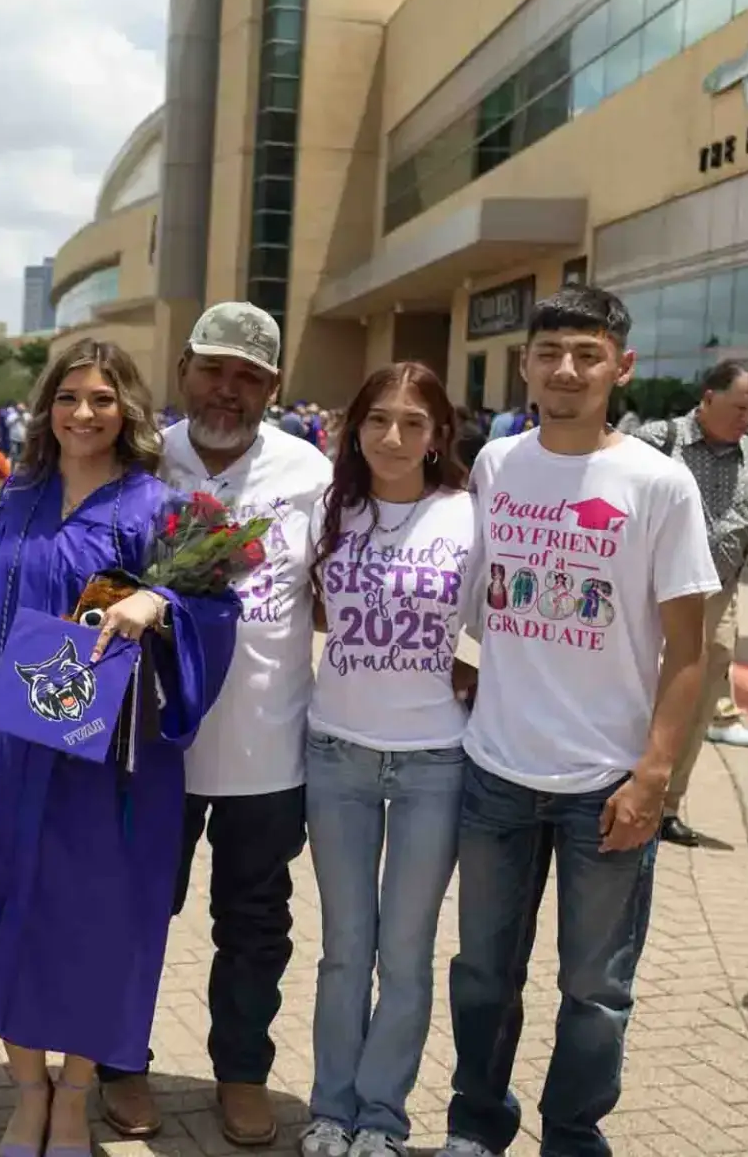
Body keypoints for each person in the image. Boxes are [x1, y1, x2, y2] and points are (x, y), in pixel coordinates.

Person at [0, 338, 239, 1157]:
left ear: (127, 410)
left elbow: (217, 608)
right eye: (68, 397)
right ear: (47, 407)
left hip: (105, 764)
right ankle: (26, 1094)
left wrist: (162, 602)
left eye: (101, 399)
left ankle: (73, 1099)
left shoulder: (157, 507)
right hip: (6, 746)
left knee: (89, 924)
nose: (82, 413)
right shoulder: (19, 495)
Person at [442, 286, 716, 1157]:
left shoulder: (658, 483)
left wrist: (653, 778)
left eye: (587, 355)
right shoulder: (497, 465)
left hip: (606, 785)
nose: (567, 370)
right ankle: (477, 1126)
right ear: (525, 363)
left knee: (595, 987)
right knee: (484, 973)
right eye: (551, 353)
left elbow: (690, 652)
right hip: (495, 772)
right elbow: (478, 598)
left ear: (621, 367)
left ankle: (571, 1135)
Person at [95, 303, 330, 1146]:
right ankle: (120, 1062)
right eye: (214, 370)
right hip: (150, 743)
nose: (226, 391)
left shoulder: (309, 472)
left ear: (272, 386)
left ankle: (241, 1074)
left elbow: (341, 591)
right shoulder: (143, 460)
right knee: (134, 911)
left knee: (257, 925)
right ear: (185, 369)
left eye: (248, 377)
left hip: (267, 747)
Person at [298, 363, 474, 1157]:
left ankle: (382, 1119)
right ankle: (329, 1110)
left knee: (404, 955)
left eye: (412, 422)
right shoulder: (328, 510)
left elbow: (502, 625)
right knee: (344, 951)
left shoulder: (471, 517)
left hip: (435, 761)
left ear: (439, 435)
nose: (393, 437)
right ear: (354, 427)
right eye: (377, 420)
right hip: (337, 753)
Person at [631, 362, 748, 844]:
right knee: (633, 686)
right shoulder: (656, 441)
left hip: (715, 597)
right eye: (740, 407)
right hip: (646, 592)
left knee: (698, 701)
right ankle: (612, 784)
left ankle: (664, 807)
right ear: (707, 398)